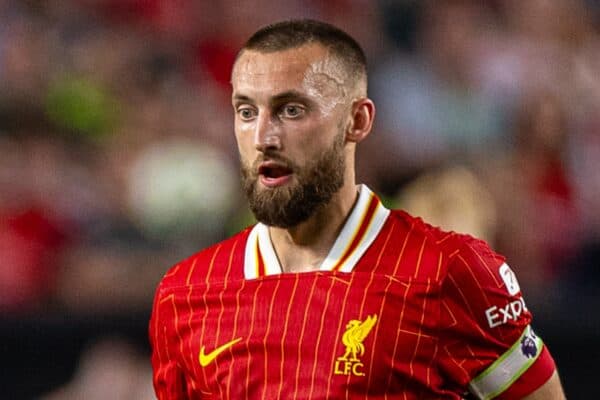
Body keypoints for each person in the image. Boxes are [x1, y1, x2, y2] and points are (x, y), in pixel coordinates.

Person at [149, 19, 564, 399]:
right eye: (246, 111)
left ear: (357, 121)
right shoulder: (185, 294)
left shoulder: (450, 271)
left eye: (291, 110)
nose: (263, 136)